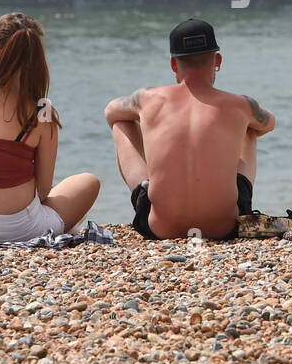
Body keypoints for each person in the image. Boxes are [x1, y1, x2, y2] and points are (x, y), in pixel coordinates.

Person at [104, 18, 275, 241]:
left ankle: (147, 187)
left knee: (120, 124)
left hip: (160, 228)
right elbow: (269, 124)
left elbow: (110, 112)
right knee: (250, 128)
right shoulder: (241, 104)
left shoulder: (147, 98)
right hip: (225, 227)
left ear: (173, 64)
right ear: (218, 60)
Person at [0, 12, 100, 242]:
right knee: (89, 181)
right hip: (22, 230)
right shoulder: (42, 111)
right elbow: (42, 190)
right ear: (36, 58)